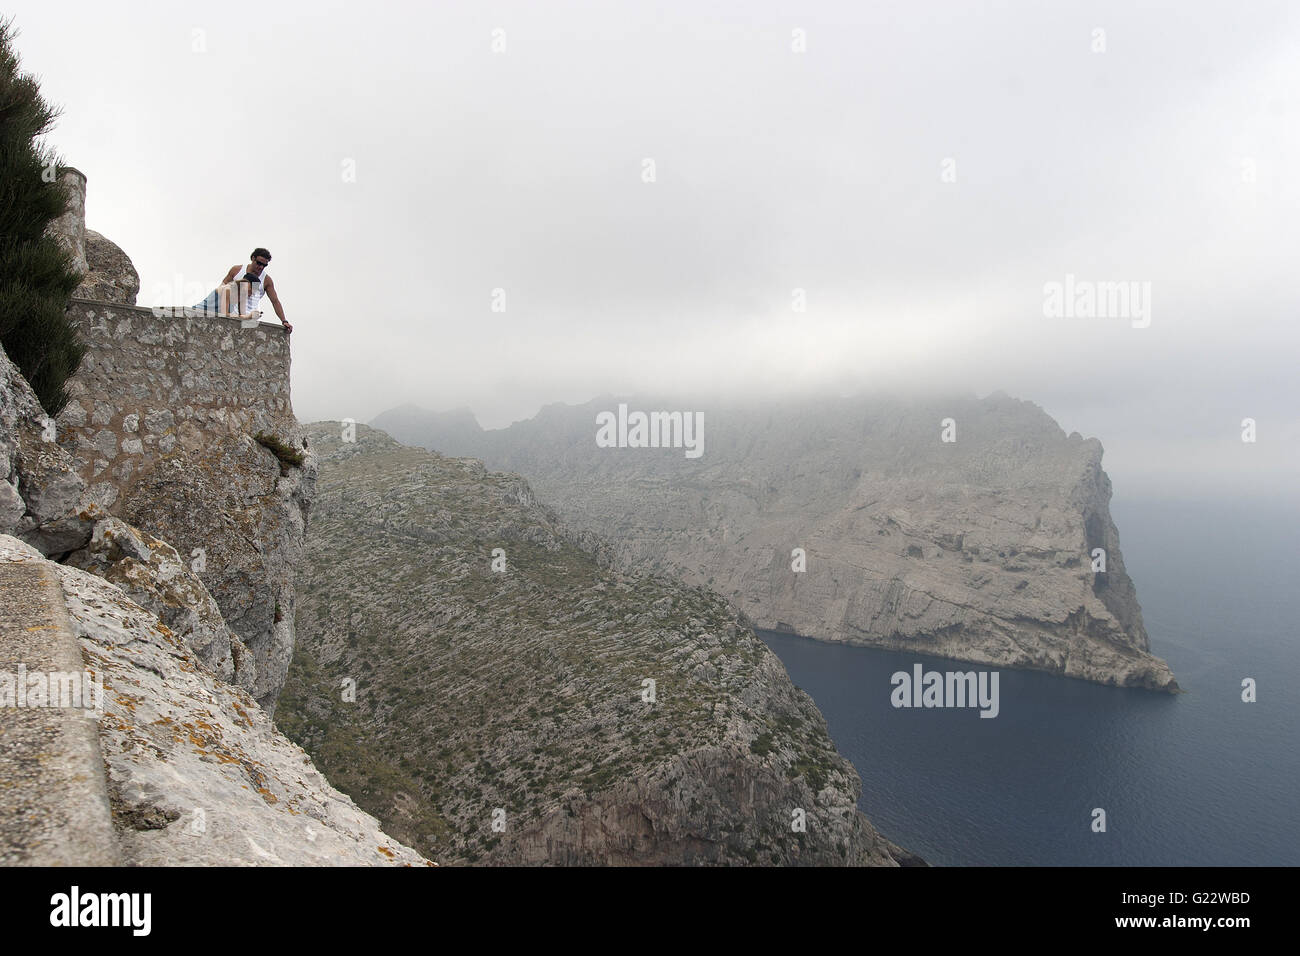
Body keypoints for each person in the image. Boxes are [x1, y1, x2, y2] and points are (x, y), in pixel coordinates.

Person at [191, 248, 292, 332]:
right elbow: (221, 291)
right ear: (253, 258)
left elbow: (275, 301)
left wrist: (284, 321)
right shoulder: (236, 271)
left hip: (242, 315)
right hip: (228, 312)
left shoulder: (267, 280)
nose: (261, 267)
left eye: (264, 265)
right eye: (259, 263)